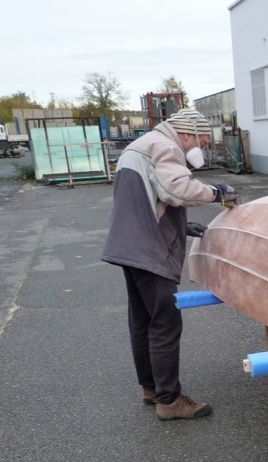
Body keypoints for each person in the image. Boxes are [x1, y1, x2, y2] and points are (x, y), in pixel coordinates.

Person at [101, 108, 238, 421]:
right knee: (165, 322)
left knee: (143, 320)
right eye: (201, 140)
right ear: (187, 133)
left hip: (129, 245)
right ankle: (170, 400)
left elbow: (149, 198)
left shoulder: (139, 146)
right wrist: (218, 192)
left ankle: (150, 388)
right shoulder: (165, 146)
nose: (200, 148)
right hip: (150, 251)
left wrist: (183, 228)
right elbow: (177, 190)